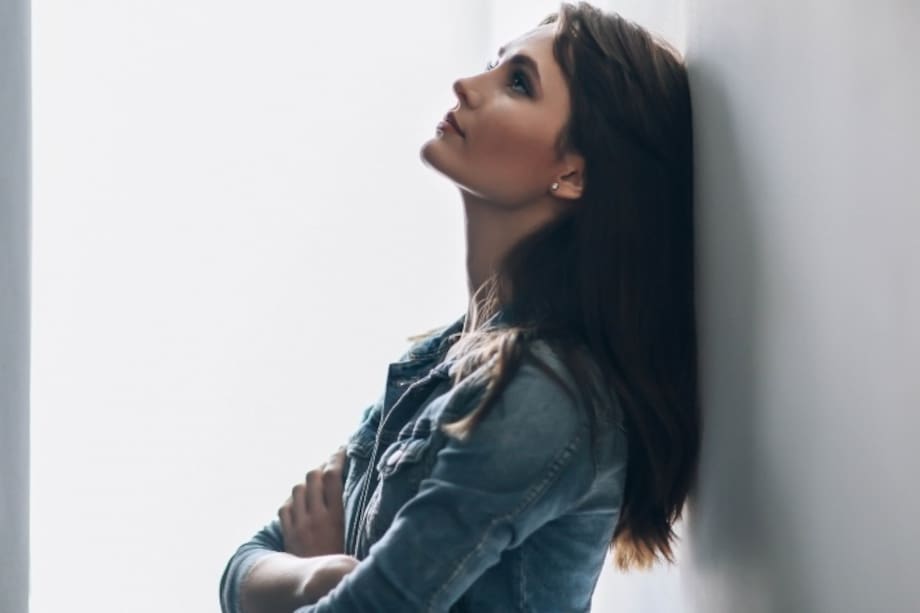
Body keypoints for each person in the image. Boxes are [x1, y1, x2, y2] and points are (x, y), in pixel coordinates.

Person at [219, 2, 698, 611]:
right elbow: (240, 568)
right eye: (493, 65)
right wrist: (320, 576)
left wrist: (319, 578)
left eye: (517, 83)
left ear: (574, 173)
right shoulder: (434, 360)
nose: (466, 87)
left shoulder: (542, 393)